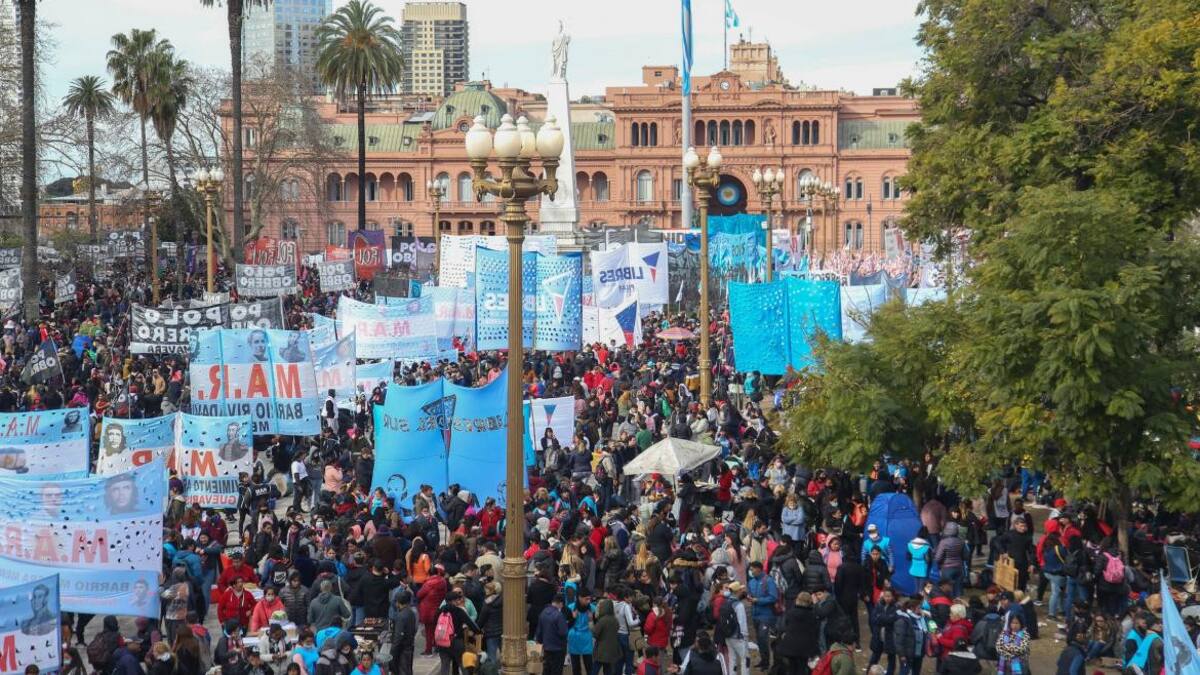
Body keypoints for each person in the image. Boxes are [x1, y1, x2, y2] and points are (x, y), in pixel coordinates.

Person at [434, 590, 479, 675]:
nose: (459, 601)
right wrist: (478, 632)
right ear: (453, 601)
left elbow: (434, 622)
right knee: (462, 664)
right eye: (457, 600)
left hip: (442, 642)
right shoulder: (459, 611)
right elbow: (471, 624)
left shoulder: (440, 611)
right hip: (456, 641)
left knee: (445, 665)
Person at [777, 592, 820, 675]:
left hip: (790, 645)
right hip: (805, 648)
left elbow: (783, 627)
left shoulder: (790, 613)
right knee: (802, 669)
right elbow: (815, 631)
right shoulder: (812, 615)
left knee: (792, 668)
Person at [746, 561, 778, 671]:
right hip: (755, 615)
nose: (751, 571)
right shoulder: (751, 582)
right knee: (759, 639)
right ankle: (763, 660)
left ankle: (766, 662)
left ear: (759, 569)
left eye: (752, 569)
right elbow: (749, 594)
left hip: (766, 615)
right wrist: (749, 597)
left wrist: (758, 600)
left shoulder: (768, 581)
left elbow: (773, 597)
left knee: (763, 638)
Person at [536, 594, 569, 675]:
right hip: (558, 649)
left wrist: (540, 642)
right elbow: (563, 632)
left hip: (547, 647)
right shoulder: (559, 615)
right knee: (556, 671)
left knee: (547, 669)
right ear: (560, 603)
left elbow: (539, 631)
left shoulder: (543, 612)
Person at [390, 591, 417, 675]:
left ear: (398, 602)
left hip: (402, 650)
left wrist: (392, 652)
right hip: (409, 646)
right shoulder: (412, 613)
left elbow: (398, 637)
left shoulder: (401, 616)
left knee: (402, 671)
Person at [593, 599, 621, 675]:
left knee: (594, 669)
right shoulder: (615, 620)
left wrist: (592, 626)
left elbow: (595, 634)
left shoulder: (602, 620)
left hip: (601, 650)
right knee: (608, 670)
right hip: (612, 650)